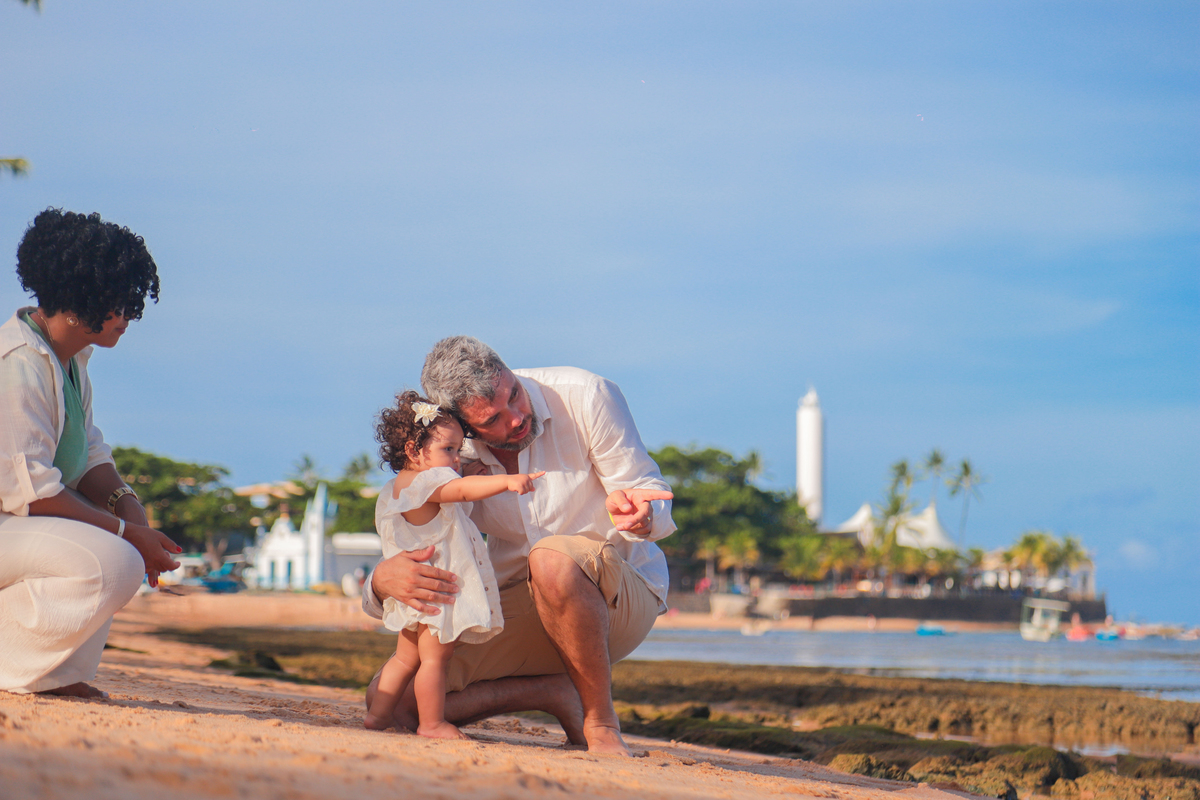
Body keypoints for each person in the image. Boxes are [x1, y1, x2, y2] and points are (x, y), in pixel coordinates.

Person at [363, 336, 674, 754]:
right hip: (516, 601)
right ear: (464, 427)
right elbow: (418, 532)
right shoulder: (448, 450)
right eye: (492, 419)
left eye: (514, 394)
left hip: (616, 596)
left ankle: (600, 722)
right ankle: (555, 692)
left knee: (551, 559)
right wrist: (380, 581)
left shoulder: (586, 396)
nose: (516, 418)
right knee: (394, 702)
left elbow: (647, 488)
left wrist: (644, 515)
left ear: (508, 371)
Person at [0, 208, 182, 698]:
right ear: (78, 301)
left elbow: (90, 454)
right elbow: (35, 493)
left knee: (118, 550)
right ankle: (13, 664)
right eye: (118, 302)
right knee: (115, 560)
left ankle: (54, 673)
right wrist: (129, 534)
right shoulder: (18, 363)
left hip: (13, 526)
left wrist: (129, 507)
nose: (128, 316)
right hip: (11, 519)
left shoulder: (71, 359)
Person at [364, 390, 543, 739]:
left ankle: (377, 716)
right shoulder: (430, 482)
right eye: (448, 449)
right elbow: (460, 492)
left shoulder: (395, 489)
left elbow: (452, 498)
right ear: (414, 451)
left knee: (405, 659)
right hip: (438, 593)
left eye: (459, 449)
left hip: (413, 590)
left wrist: (464, 472)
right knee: (435, 661)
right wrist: (506, 481)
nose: (457, 459)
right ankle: (432, 723)